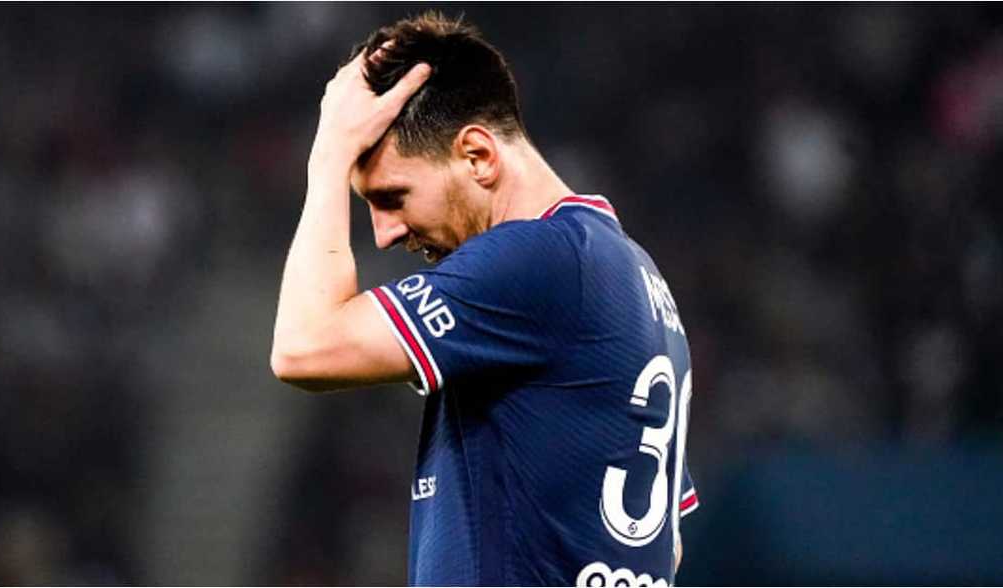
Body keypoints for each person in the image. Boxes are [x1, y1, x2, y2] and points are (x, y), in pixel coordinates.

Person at [271, 13, 699, 587]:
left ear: (477, 155)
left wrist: (327, 157)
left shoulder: (538, 259)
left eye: (393, 196)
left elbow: (304, 347)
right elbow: (665, 546)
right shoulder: (632, 273)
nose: (384, 234)